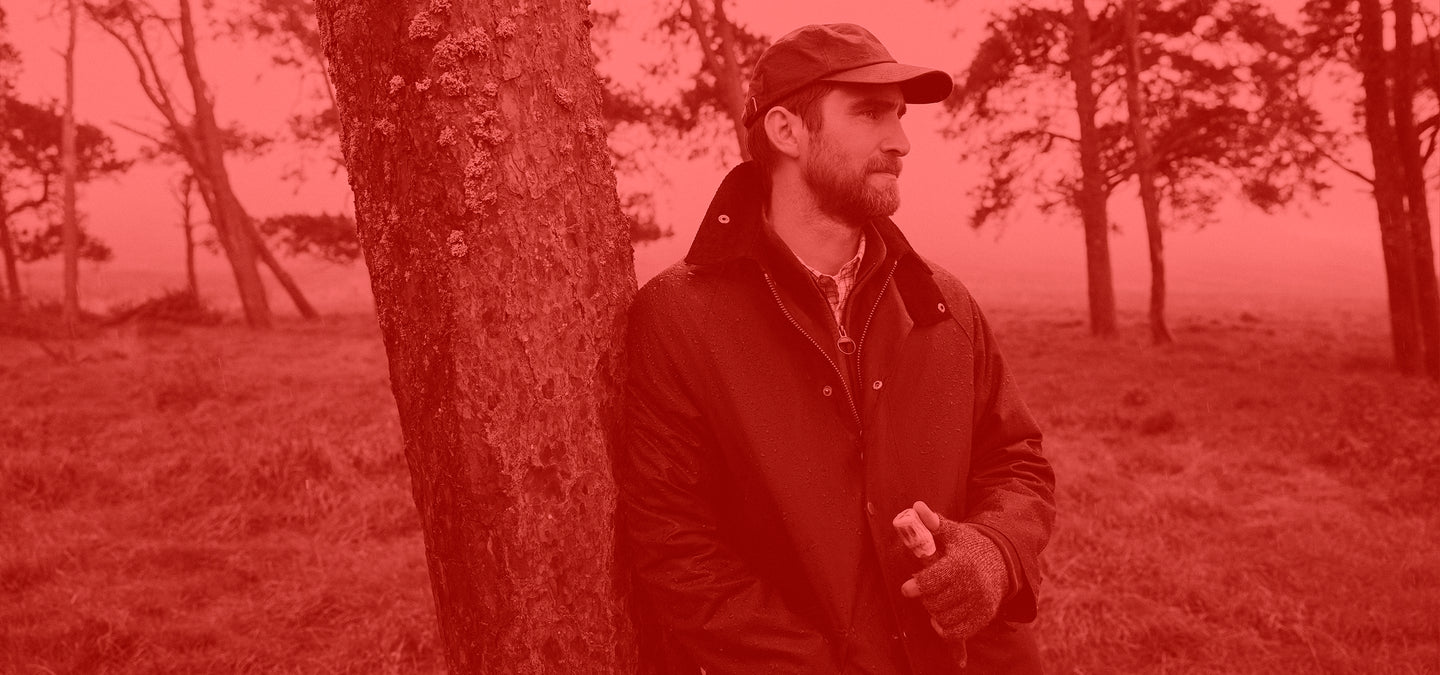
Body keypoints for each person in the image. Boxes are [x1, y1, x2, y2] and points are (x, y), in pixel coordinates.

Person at [617, 23, 1056, 675]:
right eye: (871, 113)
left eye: (900, 116)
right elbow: (674, 542)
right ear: (786, 131)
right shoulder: (680, 317)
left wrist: (993, 552)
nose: (901, 141)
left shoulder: (943, 304)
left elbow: (1017, 461)